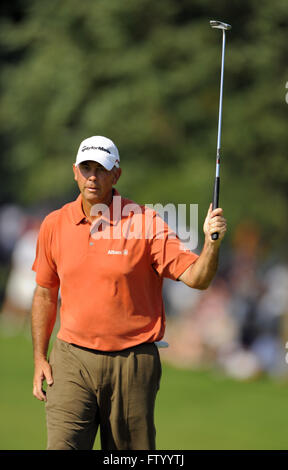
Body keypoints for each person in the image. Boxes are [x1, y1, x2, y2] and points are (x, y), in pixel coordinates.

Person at [31, 135, 227, 450]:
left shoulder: (145, 222)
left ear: (116, 174)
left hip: (132, 362)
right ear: (75, 171)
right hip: (71, 358)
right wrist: (40, 357)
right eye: (86, 168)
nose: (92, 176)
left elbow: (197, 278)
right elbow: (44, 293)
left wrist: (211, 243)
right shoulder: (54, 224)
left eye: (101, 169)